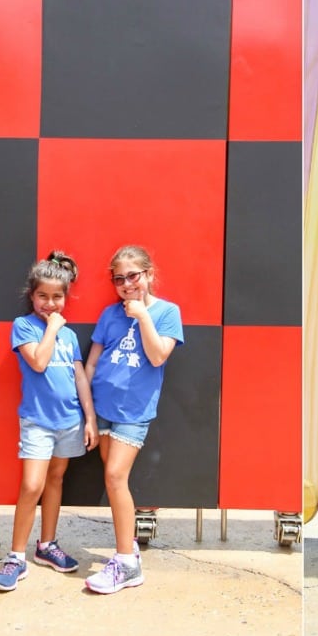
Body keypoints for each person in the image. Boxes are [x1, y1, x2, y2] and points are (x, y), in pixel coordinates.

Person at [0, 252, 99, 591]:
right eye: (43, 296)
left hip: (69, 421)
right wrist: (52, 327)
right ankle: (15, 557)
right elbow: (38, 362)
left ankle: (46, 546)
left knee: (56, 480)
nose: (50, 303)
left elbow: (80, 377)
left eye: (57, 297)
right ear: (32, 295)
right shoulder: (24, 326)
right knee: (32, 485)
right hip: (38, 422)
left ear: (66, 297)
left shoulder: (69, 338)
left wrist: (90, 419)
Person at [83, 245, 184, 594]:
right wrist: (90, 417)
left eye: (133, 276)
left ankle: (126, 562)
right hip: (103, 409)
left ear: (149, 274)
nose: (126, 284)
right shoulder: (109, 314)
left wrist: (142, 315)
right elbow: (92, 364)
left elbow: (158, 358)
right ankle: (128, 553)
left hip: (133, 413)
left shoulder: (168, 312)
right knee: (112, 480)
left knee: (114, 476)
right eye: (119, 278)